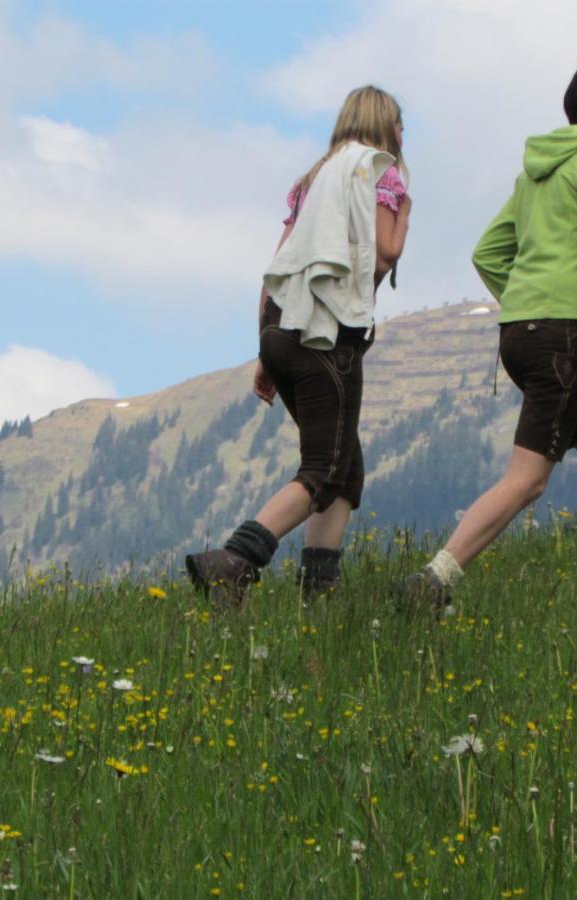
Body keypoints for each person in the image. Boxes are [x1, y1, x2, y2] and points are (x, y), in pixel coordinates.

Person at [407, 62, 577, 606]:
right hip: (563, 338)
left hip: (520, 334)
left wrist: (525, 296)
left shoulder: (535, 169)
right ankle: (433, 580)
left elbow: (487, 251)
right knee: (529, 479)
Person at [187, 85, 411, 605]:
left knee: (345, 466)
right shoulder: (382, 175)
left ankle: (319, 596)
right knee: (324, 467)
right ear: (383, 126)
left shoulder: (313, 180)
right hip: (324, 335)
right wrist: (405, 213)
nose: (403, 136)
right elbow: (382, 257)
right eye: (400, 125)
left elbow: (276, 267)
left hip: (279, 325)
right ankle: (235, 559)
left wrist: (265, 352)